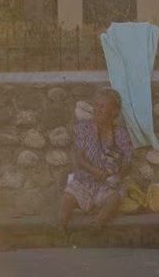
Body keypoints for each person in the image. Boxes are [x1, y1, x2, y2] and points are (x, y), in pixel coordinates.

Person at [60, 87, 139, 230]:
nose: (97, 109)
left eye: (102, 106)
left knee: (114, 198)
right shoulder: (83, 128)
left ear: (114, 112)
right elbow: (79, 156)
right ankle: (61, 226)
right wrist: (94, 171)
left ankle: (98, 223)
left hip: (107, 185)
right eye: (96, 105)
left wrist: (118, 177)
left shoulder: (120, 134)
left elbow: (127, 161)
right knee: (67, 197)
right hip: (85, 181)